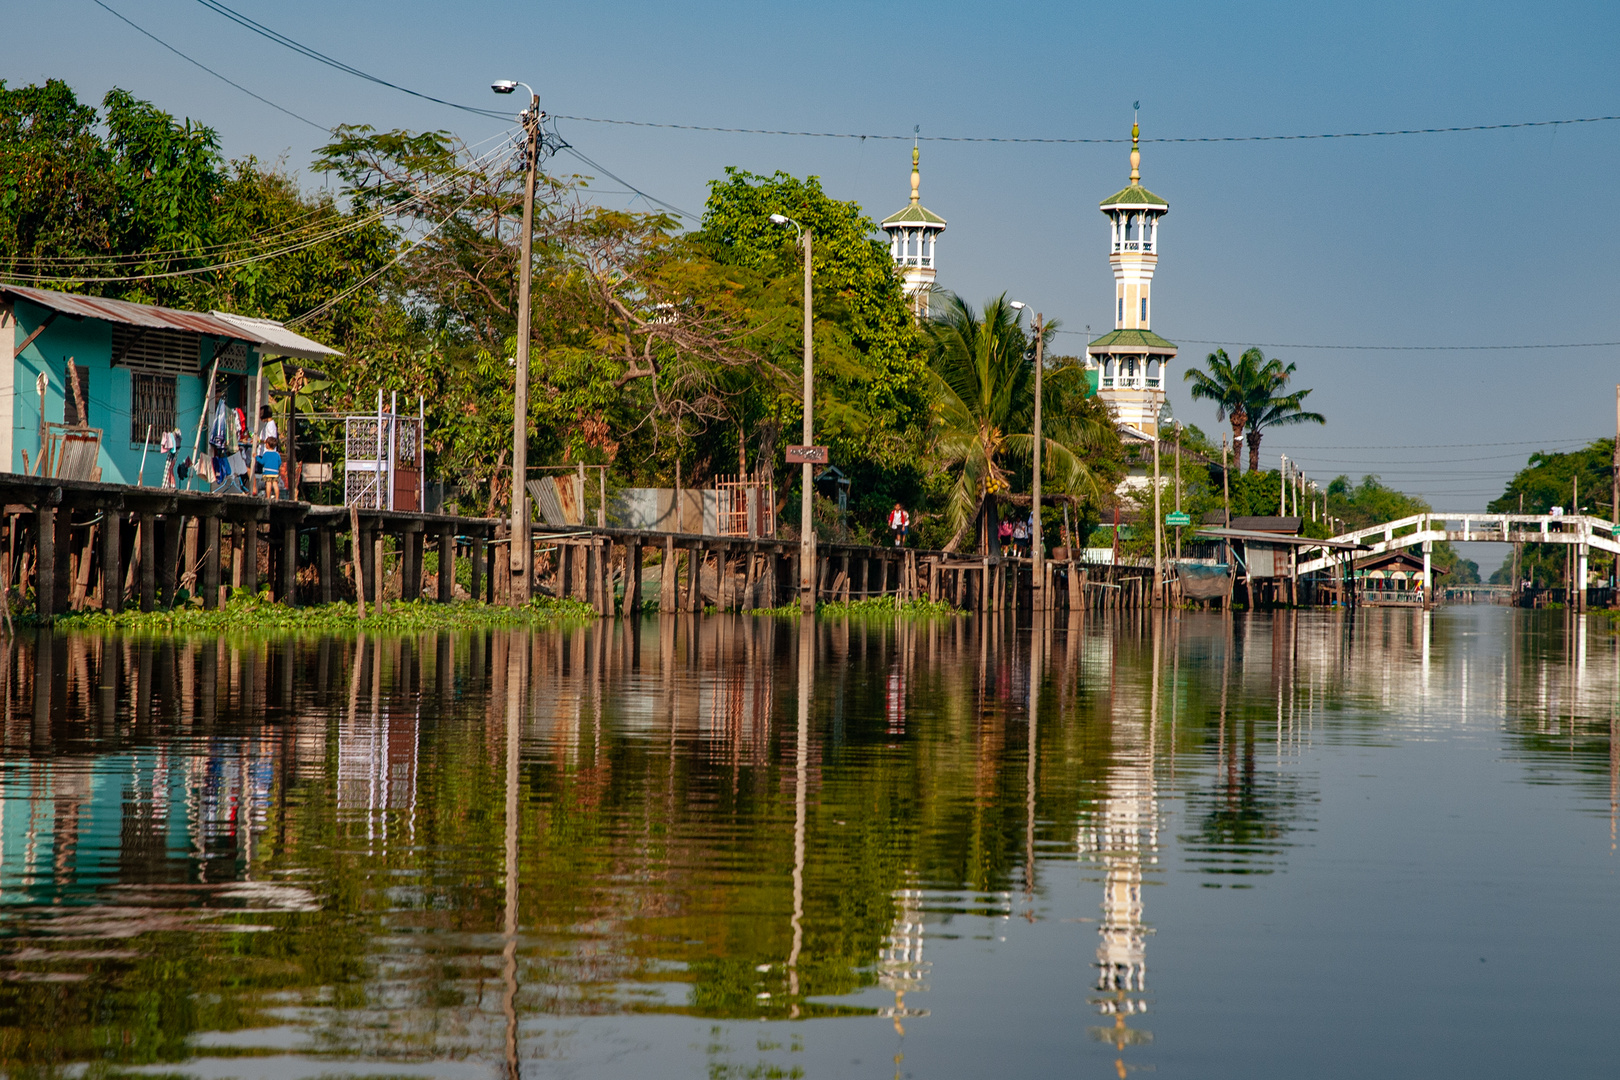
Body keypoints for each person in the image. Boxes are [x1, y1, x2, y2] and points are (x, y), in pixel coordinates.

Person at [258, 436, 283, 500]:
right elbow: (279, 462)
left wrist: (256, 457)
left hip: (267, 472)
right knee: (275, 485)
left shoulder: (266, 454)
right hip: (275, 472)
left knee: (268, 484)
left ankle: (268, 497)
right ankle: (277, 498)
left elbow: (262, 462)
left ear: (268, 445)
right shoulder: (277, 454)